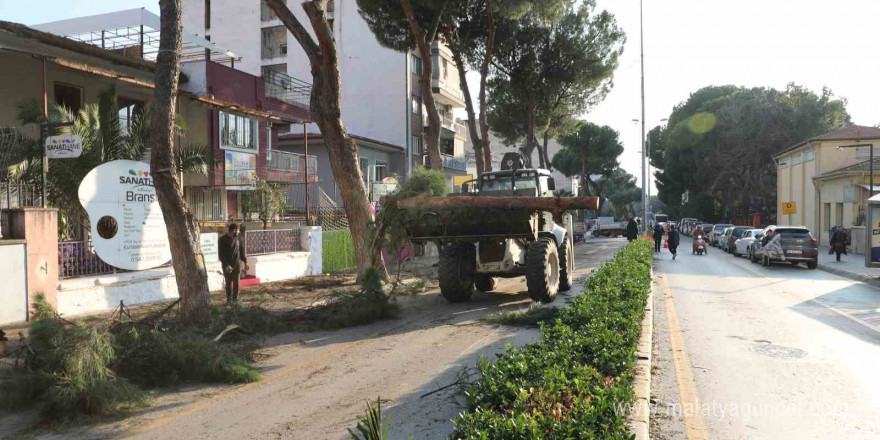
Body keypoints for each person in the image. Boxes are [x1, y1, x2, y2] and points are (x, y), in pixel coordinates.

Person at [219, 223, 249, 304]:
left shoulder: (238, 239)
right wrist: (226, 265)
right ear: (234, 230)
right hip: (227, 266)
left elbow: (241, 251)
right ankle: (229, 299)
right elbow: (221, 254)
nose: (239, 232)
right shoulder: (222, 240)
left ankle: (235, 300)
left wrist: (245, 262)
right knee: (228, 283)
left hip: (237, 264)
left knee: (236, 283)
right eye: (238, 230)